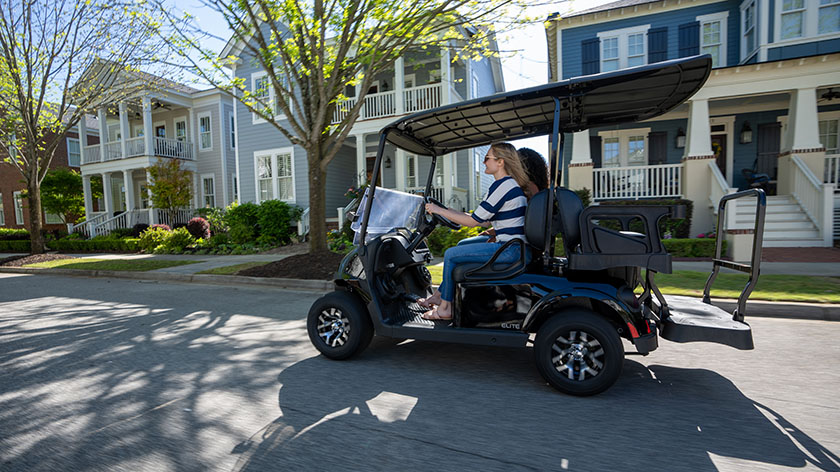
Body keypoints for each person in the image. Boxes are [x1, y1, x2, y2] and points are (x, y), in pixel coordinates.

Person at [419, 142, 530, 320]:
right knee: (461, 246)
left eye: (487, 158)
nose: (484, 162)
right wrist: (446, 210)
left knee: (450, 254)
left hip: (510, 250)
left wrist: (439, 211)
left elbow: (473, 222)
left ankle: (446, 308)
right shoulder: (504, 185)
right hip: (512, 247)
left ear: (500, 162)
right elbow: (483, 220)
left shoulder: (504, 186)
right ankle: (440, 297)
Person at [457, 147, 549, 245]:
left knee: (457, 250)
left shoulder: (527, 188)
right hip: (512, 239)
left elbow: (526, 223)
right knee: (463, 244)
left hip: (519, 243)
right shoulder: (517, 185)